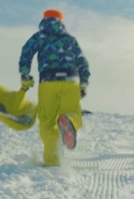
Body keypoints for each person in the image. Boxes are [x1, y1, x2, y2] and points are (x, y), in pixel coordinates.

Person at [18, 9, 90, 166]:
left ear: (44, 20)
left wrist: (25, 74)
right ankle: (69, 120)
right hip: (70, 82)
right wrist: (84, 82)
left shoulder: (39, 37)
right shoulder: (69, 39)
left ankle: (52, 160)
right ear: (60, 21)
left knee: (47, 122)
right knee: (73, 112)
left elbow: (26, 53)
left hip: (48, 82)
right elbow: (82, 61)